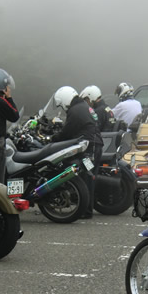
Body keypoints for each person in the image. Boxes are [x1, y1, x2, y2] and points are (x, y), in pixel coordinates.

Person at [51, 86, 103, 219]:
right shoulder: (83, 106)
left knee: (86, 177)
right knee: (90, 177)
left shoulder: (75, 110)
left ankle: (86, 211)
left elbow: (67, 131)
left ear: (65, 99)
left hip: (89, 147)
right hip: (96, 145)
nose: (63, 108)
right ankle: (87, 208)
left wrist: (53, 138)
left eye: (61, 104)